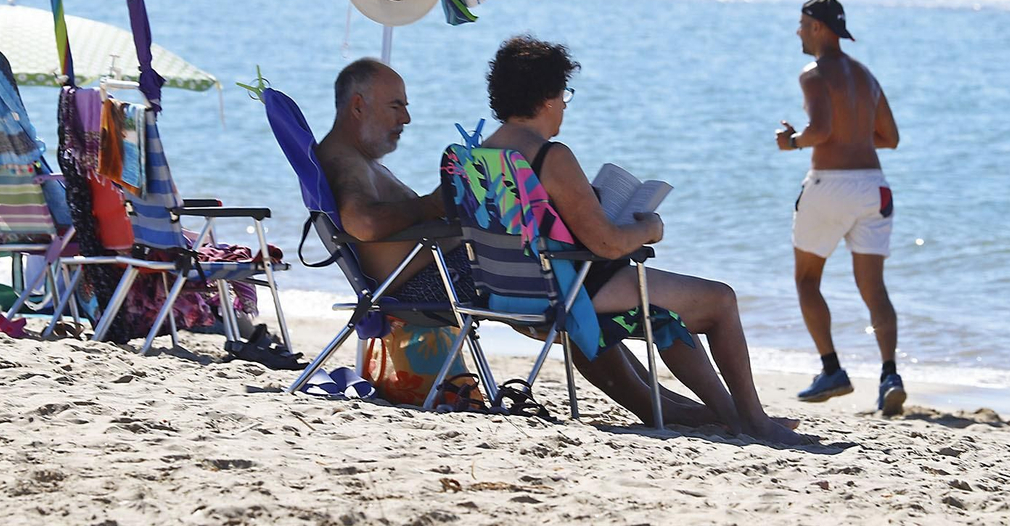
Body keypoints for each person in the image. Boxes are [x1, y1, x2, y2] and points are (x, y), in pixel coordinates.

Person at [483, 35, 808, 445]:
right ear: (546, 97)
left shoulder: (477, 156)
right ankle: (755, 420)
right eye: (563, 93)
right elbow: (607, 244)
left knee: (665, 315)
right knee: (720, 300)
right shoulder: (551, 157)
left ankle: (727, 415)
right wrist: (649, 227)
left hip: (509, 292)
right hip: (570, 288)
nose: (565, 103)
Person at [775, 0, 905, 415]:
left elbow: (821, 128)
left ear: (818, 27)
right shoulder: (866, 76)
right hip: (873, 185)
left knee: (807, 280)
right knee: (874, 287)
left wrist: (792, 142)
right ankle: (890, 375)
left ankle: (832, 369)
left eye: (801, 24)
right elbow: (890, 138)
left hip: (829, 185)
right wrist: (853, 139)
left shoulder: (813, 74)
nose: (797, 31)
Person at [315, 58, 470, 303]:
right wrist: (432, 205)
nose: (406, 118)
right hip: (428, 285)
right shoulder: (344, 161)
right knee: (537, 281)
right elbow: (363, 223)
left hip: (440, 274)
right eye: (396, 107)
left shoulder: (358, 159)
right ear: (358, 106)